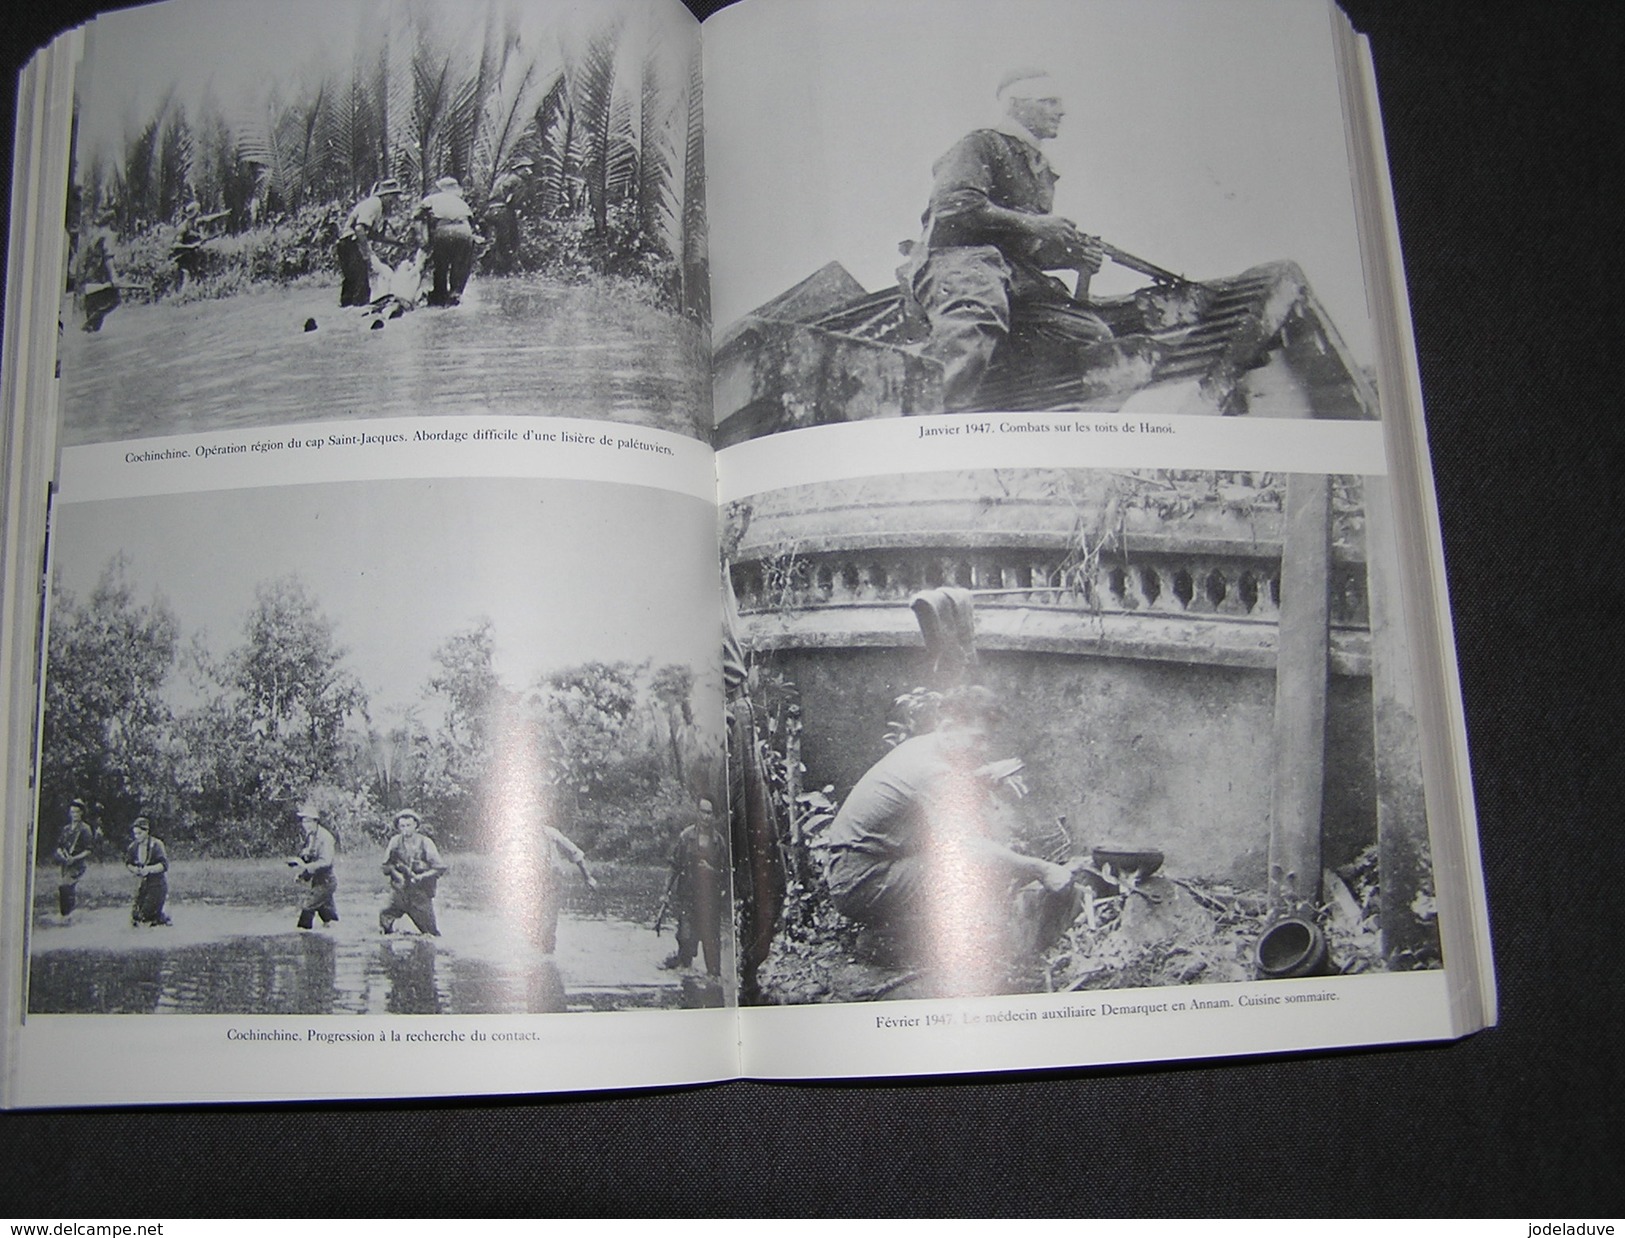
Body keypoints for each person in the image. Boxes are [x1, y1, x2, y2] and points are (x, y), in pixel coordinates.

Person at [822, 686, 1074, 989]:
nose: (984, 748)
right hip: (861, 881)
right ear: (949, 728)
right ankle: (892, 940)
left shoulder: (925, 746)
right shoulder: (930, 770)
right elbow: (967, 846)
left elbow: (946, 789)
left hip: (865, 867)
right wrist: (1040, 868)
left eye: (988, 740)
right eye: (978, 738)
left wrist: (983, 778)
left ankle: (896, 933)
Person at [902, 68, 1111, 411]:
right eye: (1049, 102)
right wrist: (1038, 224)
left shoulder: (1041, 168)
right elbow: (955, 206)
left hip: (1015, 276)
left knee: (1087, 335)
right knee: (974, 320)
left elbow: (1024, 244)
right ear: (1016, 106)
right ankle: (921, 419)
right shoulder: (982, 143)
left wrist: (1070, 256)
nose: (1061, 111)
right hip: (961, 260)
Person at [659, 799, 726, 975]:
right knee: (686, 941)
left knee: (712, 950)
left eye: (710, 813)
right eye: (703, 812)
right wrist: (665, 893)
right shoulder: (685, 837)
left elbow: (727, 875)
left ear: (714, 816)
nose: (706, 817)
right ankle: (685, 984)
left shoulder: (719, 842)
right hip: (687, 898)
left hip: (710, 902)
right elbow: (674, 866)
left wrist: (711, 870)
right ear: (698, 812)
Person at [379, 810, 448, 936]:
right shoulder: (395, 841)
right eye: (402, 826)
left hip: (420, 893)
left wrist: (421, 876)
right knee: (385, 918)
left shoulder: (426, 843)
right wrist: (396, 875)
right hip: (400, 891)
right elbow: (385, 866)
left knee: (430, 933)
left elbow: (440, 867)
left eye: (408, 825)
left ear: (416, 826)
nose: (405, 829)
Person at [337, 179, 403, 307]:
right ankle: (359, 311)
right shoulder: (374, 204)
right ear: (385, 195)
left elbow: (373, 235)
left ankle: (347, 310)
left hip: (346, 243)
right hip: (351, 243)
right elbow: (359, 229)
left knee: (352, 282)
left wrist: (397, 243)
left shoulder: (378, 207)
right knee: (360, 284)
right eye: (393, 197)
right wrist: (367, 253)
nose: (394, 202)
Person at [415, 176, 476, 306]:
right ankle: (455, 295)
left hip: (443, 230)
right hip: (464, 231)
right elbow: (472, 222)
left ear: (441, 189)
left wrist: (422, 239)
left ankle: (439, 296)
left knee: (441, 266)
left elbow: (417, 217)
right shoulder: (461, 203)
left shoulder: (432, 199)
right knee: (461, 266)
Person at [289, 804, 339, 930]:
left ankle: (303, 939)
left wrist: (304, 866)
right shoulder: (311, 836)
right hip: (318, 882)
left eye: (307, 821)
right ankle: (335, 941)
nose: (304, 825)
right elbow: (311, 858)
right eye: (303, 821)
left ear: (315, 821)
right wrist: (302, 874)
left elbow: (326, 862)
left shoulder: (326, 838)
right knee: (330, 920)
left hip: (326, 882)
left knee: (307, 907)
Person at [483, 157, 534, 273]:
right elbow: (513, 201)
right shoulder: (518, 180)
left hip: (490, 210)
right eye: (527, 169)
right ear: (520, 169)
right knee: (508, 242)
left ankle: (490, 266)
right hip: (502, 211)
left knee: (499, 240)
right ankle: (503, 270)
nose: (529, 172)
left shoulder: (503, 177)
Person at [51, 798, 97, 918]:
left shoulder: (85, 829)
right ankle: (66, 913)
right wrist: (62, 855)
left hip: (77, 864)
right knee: (66, 887)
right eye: (72, 812)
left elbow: (88, 850)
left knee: (65, 886)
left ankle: (66, 914)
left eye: (77, 812)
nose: (74, 815)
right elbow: (59, 846)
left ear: (81, 813)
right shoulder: (66, 829)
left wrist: (75, 858)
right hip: (65, 864)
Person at [124, 815, 171, 927]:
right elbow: (128, 863)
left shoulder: (156, 845)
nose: (137, 837)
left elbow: (164, 865)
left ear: (147, 831)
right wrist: (134, 869)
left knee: (145, 915)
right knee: (135, 916)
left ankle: (162, 919)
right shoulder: (133, 847)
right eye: (135, 834)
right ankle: (160, 918)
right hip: (144, 884)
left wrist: (149, 869)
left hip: (157, 884)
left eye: (139, 834)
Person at [77, 221, 121, 332]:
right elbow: (108, 258)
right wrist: (114, 277)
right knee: (115, 300)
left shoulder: (92, 235)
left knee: (93, 324)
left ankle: (86, 328)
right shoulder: (108, 235)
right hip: (97, 284)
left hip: (89, 283)